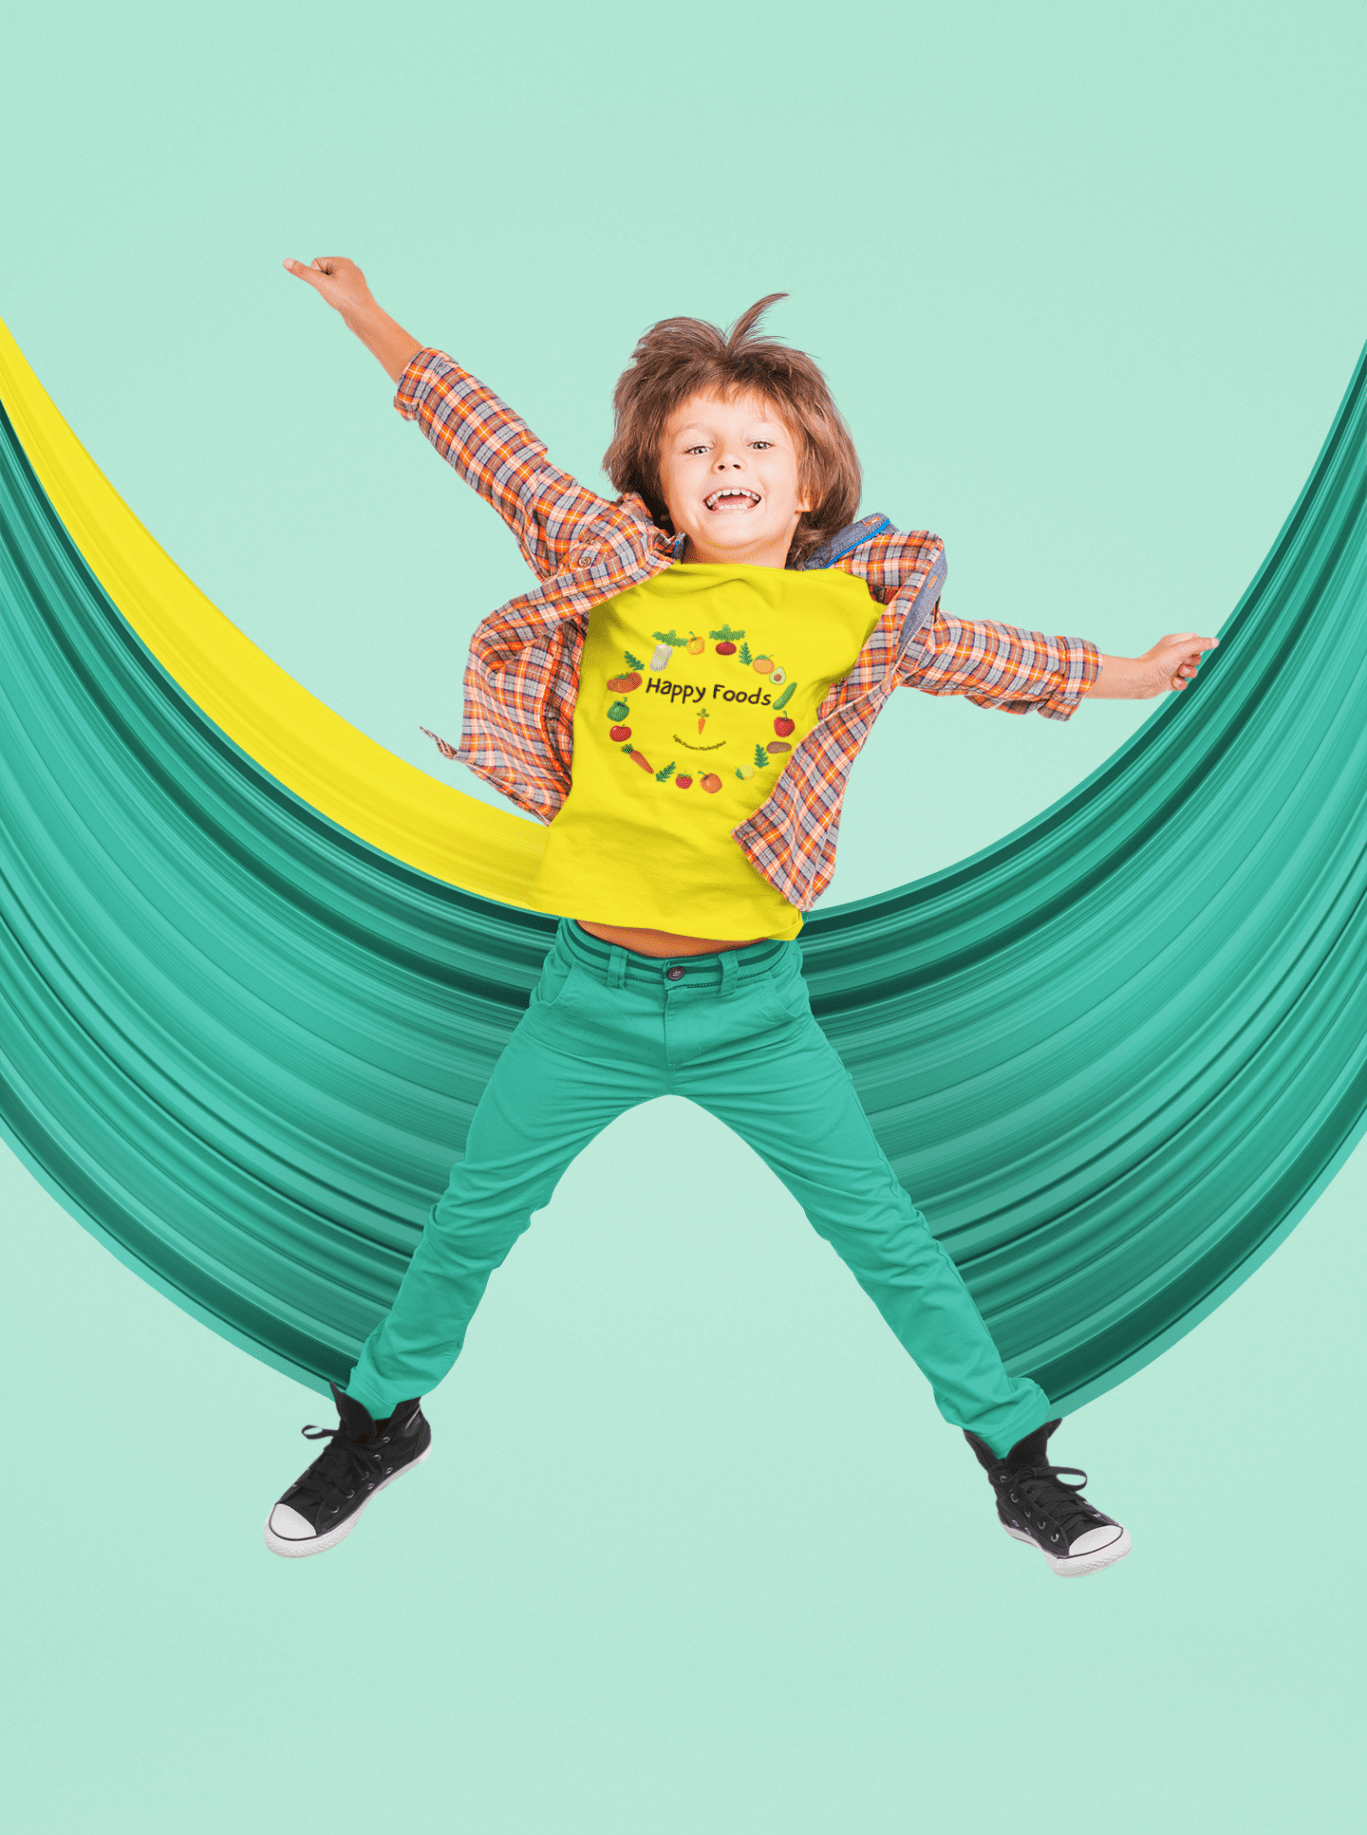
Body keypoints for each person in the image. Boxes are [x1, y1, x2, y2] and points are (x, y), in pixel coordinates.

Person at [265, 255, 1216, 1575]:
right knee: (468, 1218)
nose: (727, 460)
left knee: (884, 1235)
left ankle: (1015, 1461)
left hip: (752, 1011)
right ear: (655, 481)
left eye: (756, 441)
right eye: (694, 443)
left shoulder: (852, 615)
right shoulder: (607, 565)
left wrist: (1130, 673)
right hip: (586, 994)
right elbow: (485, 443)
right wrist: (369, 316)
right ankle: (379, 1420)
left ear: (810, 478)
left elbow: (982, 657)